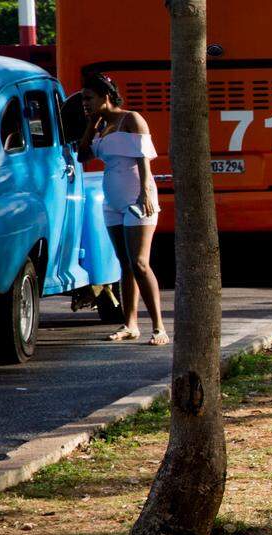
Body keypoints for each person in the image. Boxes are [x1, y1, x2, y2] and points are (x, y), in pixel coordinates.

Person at [78, 74, 169, 346]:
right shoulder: (102, 126)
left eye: (88, 98)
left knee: (140, 263)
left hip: (138, 199)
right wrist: (91, 125)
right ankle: (130, 324)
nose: (85, 103)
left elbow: (144, 159)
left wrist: (145, 193)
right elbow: (83, 155)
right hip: (112, 202)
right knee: (124, 264)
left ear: (105, 96)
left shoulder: (131, 119)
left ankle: (159, 328)